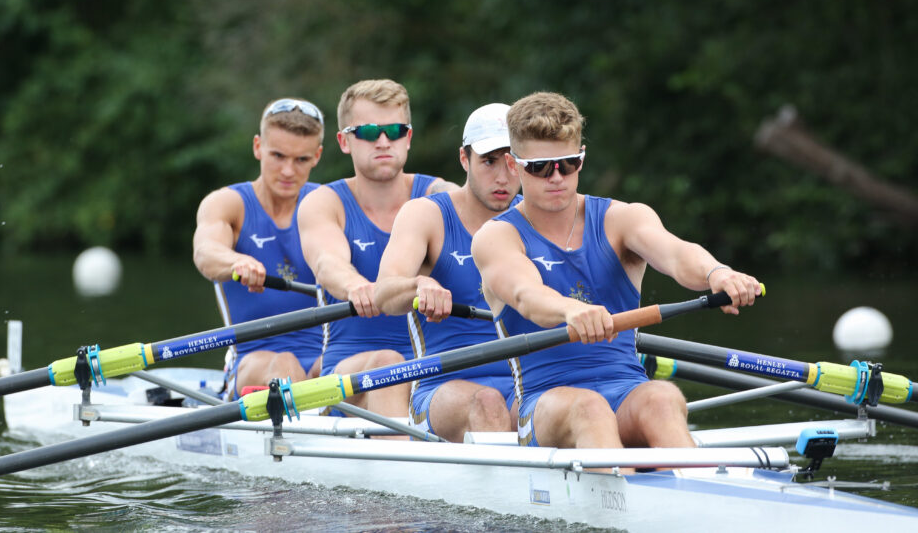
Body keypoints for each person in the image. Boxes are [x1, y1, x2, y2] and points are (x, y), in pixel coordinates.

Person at [472, 91, 762, 453]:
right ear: (515, 167)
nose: (556, 177)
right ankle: (624, 489)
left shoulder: (622, 219)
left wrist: (716, 273)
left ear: (582, 159)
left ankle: (695, 485)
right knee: (589, 408)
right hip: (544, 402)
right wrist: (570, 310)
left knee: (661, 396)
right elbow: (525, 295)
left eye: (568, 163)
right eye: (540, 167)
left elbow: (675, 253)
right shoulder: (496, 237)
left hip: (625, 389)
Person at [298, 79, 454, 417]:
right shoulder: (324, 203)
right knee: (389, 364)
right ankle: (404, 463)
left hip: (432, 368)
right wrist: (359, 287)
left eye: (395, 131)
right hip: (349, 371)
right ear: (344, 141)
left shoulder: (440, 196)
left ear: (408, 138)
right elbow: (327, 262)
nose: (383, 141)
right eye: (368, 132)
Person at [374, 103, 522, 442]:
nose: (502, 176)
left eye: (512, 162)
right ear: (464, 159)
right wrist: (418, 284)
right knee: (487, 403)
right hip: (441, 390)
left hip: (523, 386)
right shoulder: (426, 215)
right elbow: (384, 293)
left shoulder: (533, 218)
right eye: (489, 161)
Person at [193, 98, 325, 400]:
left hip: (322, 361)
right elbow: (206, 253)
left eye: (301, 159)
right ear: (257, 147)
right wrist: (236, 262)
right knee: (285, 366)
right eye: (277, 155)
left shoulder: (327, 203)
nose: (288, 171)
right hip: (252, 360)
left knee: (366, 366)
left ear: (317, 156)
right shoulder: (228, 204)